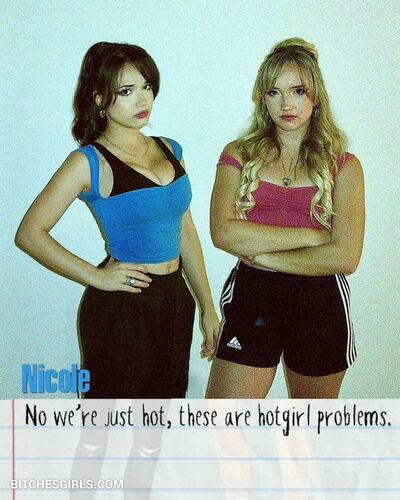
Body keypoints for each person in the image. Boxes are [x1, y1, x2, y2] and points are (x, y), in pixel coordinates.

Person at [15, 42, 219, 398]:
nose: (142, 99)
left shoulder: (171, 149)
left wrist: (207, 306)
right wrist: (96, 276)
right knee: (109, 423)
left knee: (159, 420)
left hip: (175, 301)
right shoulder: (88, 161)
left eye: (146, 86)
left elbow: (185, 230)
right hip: (123, 307)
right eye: (126, 91)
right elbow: (30, 233)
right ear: (99, 99)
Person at [206, 38, 365, 399]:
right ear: (262, 99)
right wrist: (312, 236)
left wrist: (265, 256)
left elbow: (345, 256)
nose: (286, 104)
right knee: (219, 424)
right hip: (253, 296)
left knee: (312, 426)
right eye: (274, 93)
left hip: (320, 300)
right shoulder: (238, 154)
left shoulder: (346, 166)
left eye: (298, 91)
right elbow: (223, 232)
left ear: (316, 96)